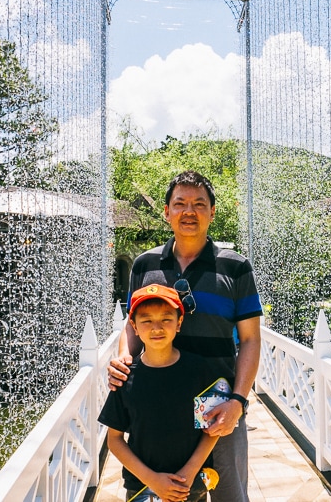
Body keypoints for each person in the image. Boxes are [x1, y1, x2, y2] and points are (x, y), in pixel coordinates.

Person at [109, 170, 263, 502]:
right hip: (159, 405)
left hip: (217, 404)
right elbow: (131, 324)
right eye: (179, 204)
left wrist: (238, 401)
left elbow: (251, 339)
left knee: (229, 496)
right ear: (166, 212)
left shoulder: (235, 267)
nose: (188, 212)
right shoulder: (144, 264)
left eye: (198, 204)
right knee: (165, 493)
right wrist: (123, 356)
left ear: (213, 211)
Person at [99, 284, 219, 502]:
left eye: (166, 319)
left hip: (190, 483)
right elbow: (114, 440)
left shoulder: (200, 370)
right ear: (134, 326)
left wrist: (189, 473)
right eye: (146, 321)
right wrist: (152, 479)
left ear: (179, 323)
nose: (157, 327)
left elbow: (211, 430)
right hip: (141, 486)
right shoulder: (125, 377)